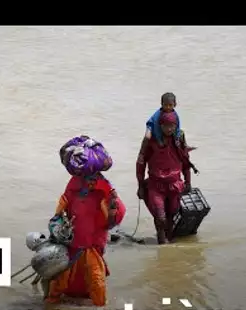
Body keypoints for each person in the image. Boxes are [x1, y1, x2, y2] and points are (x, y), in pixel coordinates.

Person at [45, 172, 126, 306]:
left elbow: (113, 220)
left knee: (97, 283)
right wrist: (58, 227)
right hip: (71, 247)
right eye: (88, 179)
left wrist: (113, 200)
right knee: (59, 283)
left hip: (92, 248)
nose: (90, 183)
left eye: (94, 180)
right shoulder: (71, 191)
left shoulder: (104, 194)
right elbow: (56, 217)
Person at [136, 111, 198, 244]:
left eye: (172, 126)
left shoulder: (178, 139)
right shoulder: (152, 141)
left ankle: (166, 248)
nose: (169, 129)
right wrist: (140, 186)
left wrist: (188, 182)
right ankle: (162, 241)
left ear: (176, 126)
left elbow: (185, 162)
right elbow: (140, 163)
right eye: (166, 126)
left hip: (175, 185)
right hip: (155, 185)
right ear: (160, 125)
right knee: (160, 216)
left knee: (171, 214)